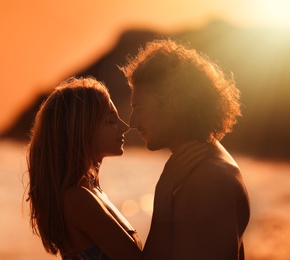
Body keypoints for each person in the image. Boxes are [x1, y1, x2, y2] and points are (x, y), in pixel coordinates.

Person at [26, 76, 207, 259]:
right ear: (82, 130)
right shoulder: (77, 199)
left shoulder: (90, 190)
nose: (124, 127)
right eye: (111, 121)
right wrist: (163, 194)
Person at [121, 39, 250, 260]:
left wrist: (162, 199)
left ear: (171, 103)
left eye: (139, 108)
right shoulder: (203, 166)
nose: (132, 122)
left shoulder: (209, 178)